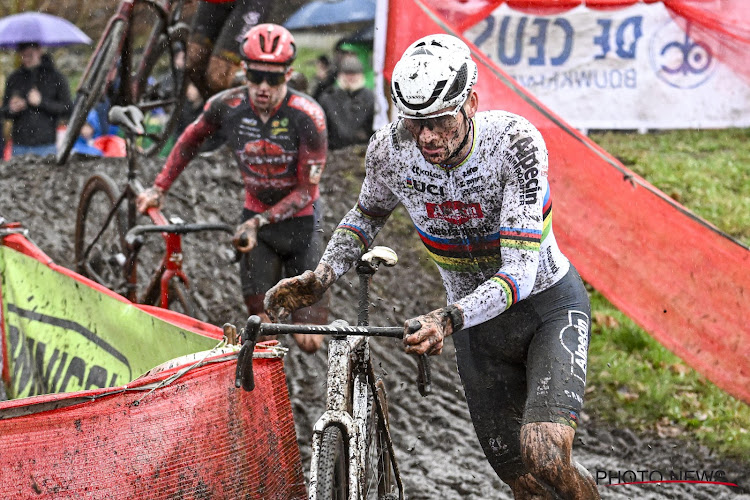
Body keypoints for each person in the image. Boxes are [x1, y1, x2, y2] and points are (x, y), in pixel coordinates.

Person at [264, 34, 600, 499]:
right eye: (415, 123)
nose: (426, 137)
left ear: (472, 104)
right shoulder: (389, 149)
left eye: (440, 121)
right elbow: (367, 214)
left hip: (544, 307)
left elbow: (520, 272)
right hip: (477, 330)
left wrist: (446, 318)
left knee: (543, 452)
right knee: (523, 481)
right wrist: (322, 276)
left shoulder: (515, 145)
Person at [137, 24, 328, 354]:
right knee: (262, 331)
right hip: (256, 224)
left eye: (274, 78)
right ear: (244, 70)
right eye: (255, 76)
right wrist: (159, 187)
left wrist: (257, 222)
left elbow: (305, 192)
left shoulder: (308, 116)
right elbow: (188, 141)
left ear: (289, 74)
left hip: (301, 225)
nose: (263, 87)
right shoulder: (227, 105)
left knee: (309, 340)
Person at [186, 0, 271, 99]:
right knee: (193, 59)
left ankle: (233, 107)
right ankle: (211, 106)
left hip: (250, 4)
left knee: (218, 74)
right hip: (214, 2)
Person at [1, 42, 71, 157]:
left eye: (30, 55)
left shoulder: (56, 77)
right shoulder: (14, 78)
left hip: (46, 144)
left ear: (39, 51)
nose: (26, 59)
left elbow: (67, 108)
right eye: (22, 56)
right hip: (20, 144)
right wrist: (12, 109)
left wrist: (41, 102)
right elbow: (4, 112)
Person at [317, 55, 374, 150]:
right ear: (340, 75)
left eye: (354, 73)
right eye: (347, 73)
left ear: (361, 75)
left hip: (362, 151)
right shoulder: (327, 97)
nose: (350, 78)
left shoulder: (371, 97)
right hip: (335, 151)